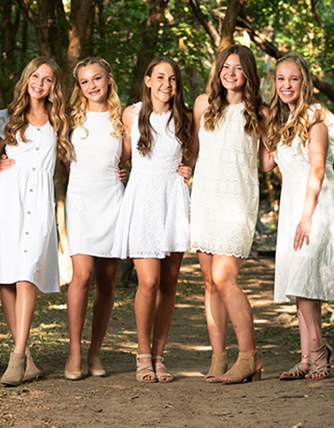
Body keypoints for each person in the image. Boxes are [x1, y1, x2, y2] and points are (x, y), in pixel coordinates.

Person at [260, 54, 334, 381]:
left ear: (304, 82)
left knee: (304, 279)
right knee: (301, 284)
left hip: (315, 203)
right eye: (280, 79)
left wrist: (306, 217)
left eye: (293, 79)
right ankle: (307, 357)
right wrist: (261, 122)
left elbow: (317, 167)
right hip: (292, 203)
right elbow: (265, 164)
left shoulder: (316, 115)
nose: (286, 85)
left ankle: (318, 352)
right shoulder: (281, 119)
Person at [0, 57, 72, 386]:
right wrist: (0, 166)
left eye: (47, 79)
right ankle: (26, 356)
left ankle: (16, 357)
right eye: (35, 75)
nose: (40, 83)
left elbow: (72, 166)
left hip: (39, 202)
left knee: (27, 273)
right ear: (27, 78)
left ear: (53, 87)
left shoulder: (59, 122)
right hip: (7, 200)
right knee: (8, 277)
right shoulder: (7, 117)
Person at [112, 57, 193, 383]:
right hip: (143, 197)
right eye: (160, 77)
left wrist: (189, 168)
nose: (166, 84)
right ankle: (142, 353)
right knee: (148, 282)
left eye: (172, 79)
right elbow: (120, 153)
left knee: (169, 283)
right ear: (147, 81)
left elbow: (193, 154)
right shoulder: (131, 114)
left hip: (173, 198)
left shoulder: (185, 117)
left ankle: (160, 356)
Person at [189, 44, 266, 384]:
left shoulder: (260, 112)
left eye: (238, 68)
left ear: (248, 73)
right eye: (225, 66)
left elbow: (267, 161)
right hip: (205, 198)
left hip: (237, 201)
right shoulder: (203, 105)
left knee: (224, 278)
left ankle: (249, 358)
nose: (230, 73)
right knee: (209, 282)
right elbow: (193, 151)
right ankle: (218, 358)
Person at [63, 57, 126, 380]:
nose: (92, 86)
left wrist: (127, 172)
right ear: (79, 86)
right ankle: (74, 351)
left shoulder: (123, 117)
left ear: (108, 79)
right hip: (81, 201)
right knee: (82, 276)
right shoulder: (70, 118)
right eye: (85, 81)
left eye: (97, 78)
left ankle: (95, 352)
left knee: (107, 280)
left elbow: (132, 156)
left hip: (112, 200)